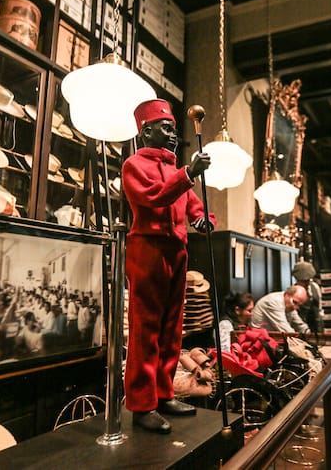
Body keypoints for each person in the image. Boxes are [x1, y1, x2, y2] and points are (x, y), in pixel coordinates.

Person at [123, 98, 215, 434]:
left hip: (177, 252)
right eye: (165, 127)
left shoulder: (175, 171)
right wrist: (188, 173)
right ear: (146, 132)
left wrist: (203, 220)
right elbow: (154, 197)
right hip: (148, 249)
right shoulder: (134, 165)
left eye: (174, 128)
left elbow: (193, 205)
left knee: (172, 329)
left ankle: (163, 394)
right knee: (146, 331)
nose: (173, 133)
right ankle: (142, 404)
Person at [292, 261, 324, 334]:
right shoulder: (293, 291)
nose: (306, 283)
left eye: (307, 280)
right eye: (303, 281)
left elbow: (319, 306)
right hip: (301, 327)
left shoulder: (315, 287)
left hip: (316, 324)